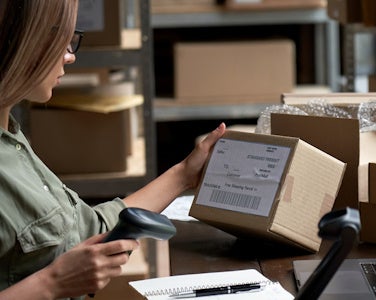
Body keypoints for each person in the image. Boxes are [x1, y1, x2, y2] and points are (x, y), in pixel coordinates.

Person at [0, 1, 226, 299]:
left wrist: (184, 174)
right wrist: (51, 283)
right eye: (59, 39)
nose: (69, 56)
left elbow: (86, 230)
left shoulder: (12, 138)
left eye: (72, 40)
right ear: (17, 39)